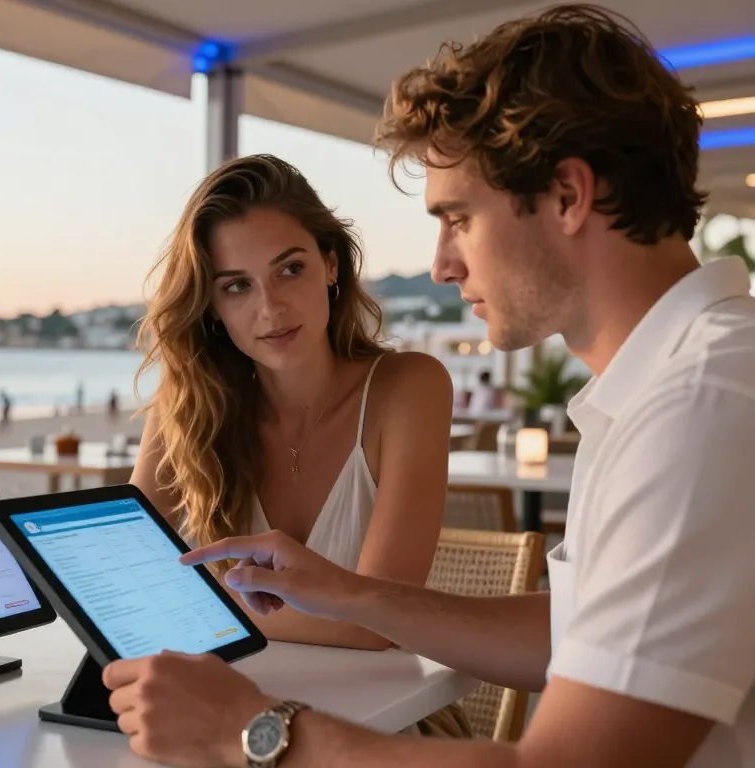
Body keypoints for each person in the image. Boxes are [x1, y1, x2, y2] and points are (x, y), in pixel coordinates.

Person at [102, 6, 755, 768]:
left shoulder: (702, 403)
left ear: (569, 197)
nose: (442, 265)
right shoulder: (670, 386)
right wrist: (354, 595)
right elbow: (577, 628)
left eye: (458, 218)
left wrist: (250, 732)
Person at [129, 155, 458, 730]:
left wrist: (187, 604)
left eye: (290, 270)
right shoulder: (186, 410)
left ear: (331, 265)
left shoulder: (409, 388)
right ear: (212, 308)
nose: (270, 308)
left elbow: (377, 623)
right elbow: (128, 571)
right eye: (237, 286)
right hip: (228, 715)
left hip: (384, 730)